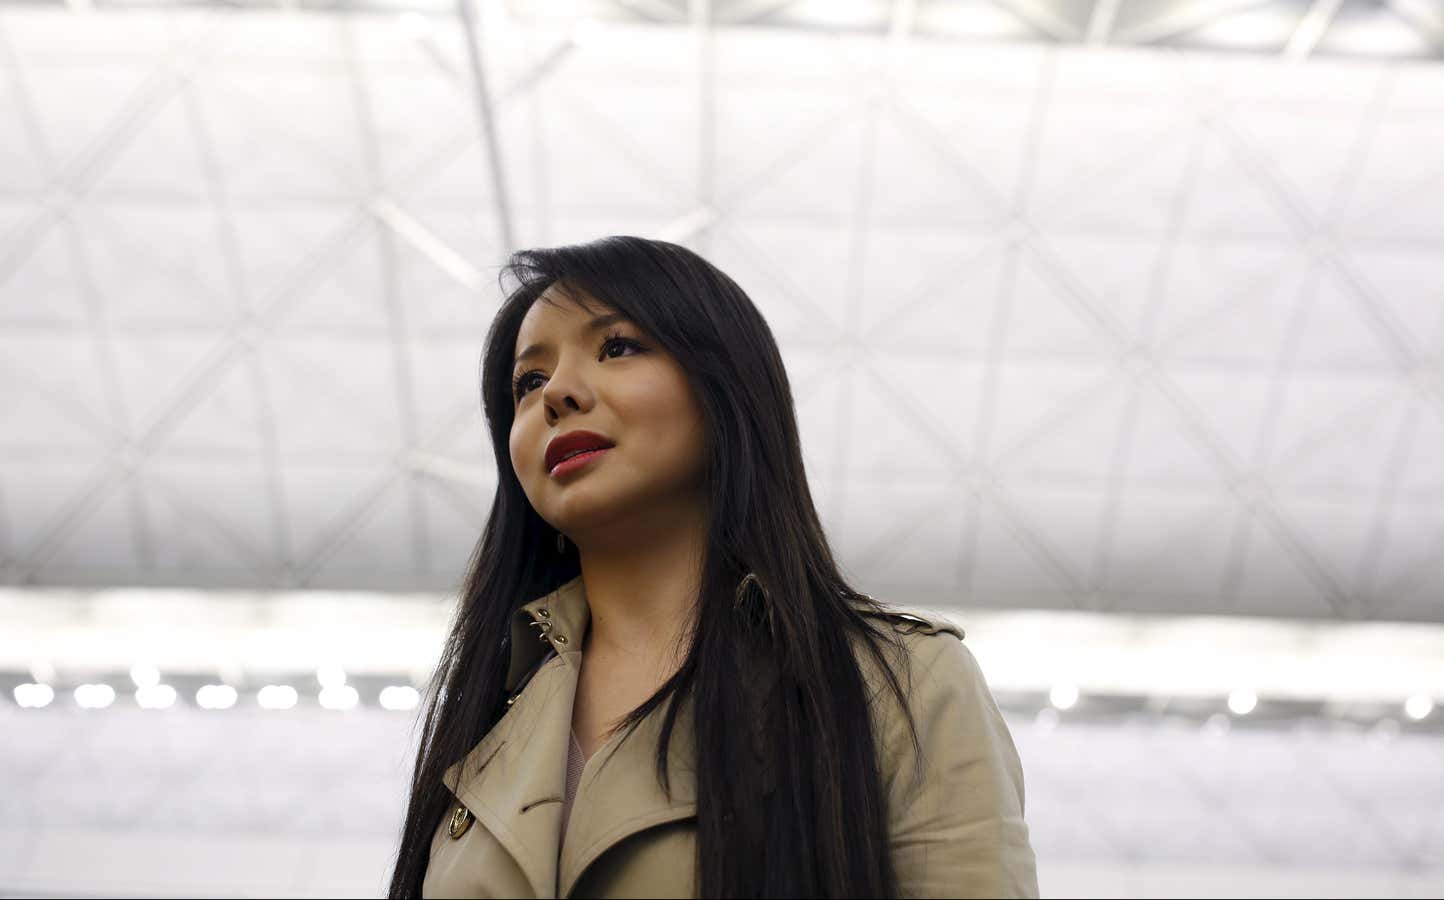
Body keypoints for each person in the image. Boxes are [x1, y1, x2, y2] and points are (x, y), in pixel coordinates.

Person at [387, 235, 1037, 898]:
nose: (558, 394)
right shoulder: (487, 719)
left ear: (726, 388)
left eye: (617, 347)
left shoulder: (900, 685)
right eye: (529, 382)